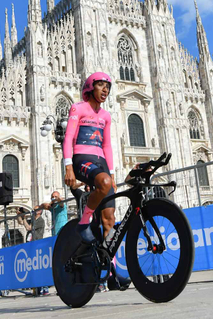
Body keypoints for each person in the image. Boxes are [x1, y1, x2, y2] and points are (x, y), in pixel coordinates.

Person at [62, 72, 130, 290]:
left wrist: (111, 173)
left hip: (101, 163)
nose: (105, 90)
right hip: (82, 158)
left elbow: (108, 145)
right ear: (91, 87)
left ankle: (108, 269)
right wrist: (68, 166)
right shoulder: (78, 108)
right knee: (102, 184)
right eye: (101, 85)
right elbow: (69, 137)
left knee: (109, 220)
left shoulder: (106, 116)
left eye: (108, 87)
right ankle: (84, 223)